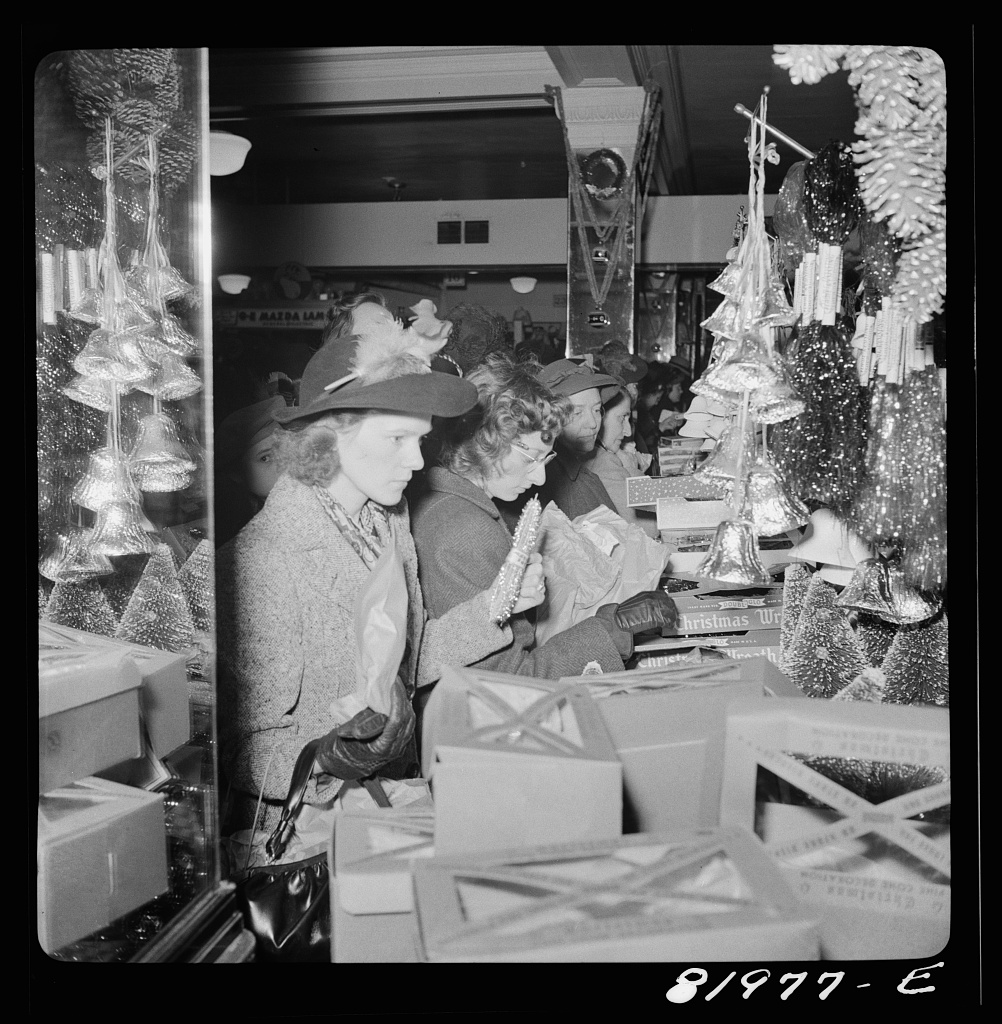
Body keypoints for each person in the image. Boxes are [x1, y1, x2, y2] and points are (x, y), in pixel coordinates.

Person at [215, 324, 543, 835]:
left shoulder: (387, 520)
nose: (416, 461)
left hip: (389, 802)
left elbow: (405, 656)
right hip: (308, 837)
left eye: (421, 440)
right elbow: (235, 746)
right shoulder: (264, 560)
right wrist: (325, 757)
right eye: (397, 438)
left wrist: (497, 605)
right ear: (329, 435)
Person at [411, 352, 678, 679]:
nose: (539, 478)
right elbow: (503, 680)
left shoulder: (462, 506)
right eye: (530, 459)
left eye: (546, 459)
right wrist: (610, 628)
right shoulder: (463, 530)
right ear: (484, 442)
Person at [531, 358, 624, 521]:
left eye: (597, 410)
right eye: (577, 413)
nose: (593, 424)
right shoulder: (559, 484)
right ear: (548, 419)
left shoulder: (578, 470)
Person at [587, 383, 660, 538]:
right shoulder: (604, 463)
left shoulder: (602, 456)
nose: (627, 431)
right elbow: (649, 527)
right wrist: (632, 470)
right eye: (621, 418)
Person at [213, 396, 288, 546]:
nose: (284, 464)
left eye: (285, 449)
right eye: (265, 458)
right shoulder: (239, 538)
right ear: (237, 474)